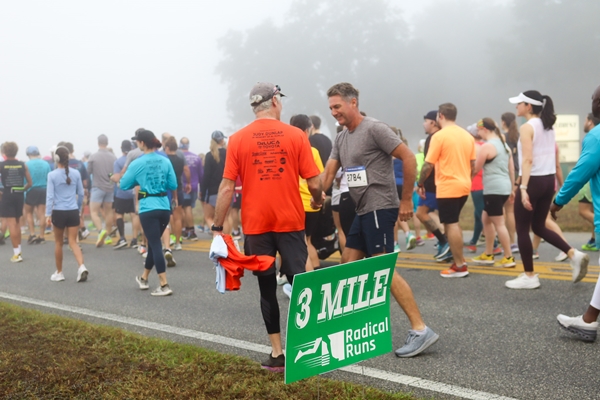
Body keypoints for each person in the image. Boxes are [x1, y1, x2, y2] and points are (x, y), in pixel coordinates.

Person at [321, 82, 439, 358]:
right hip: (362, 209)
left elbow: (408, 158)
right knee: (348, 263)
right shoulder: (341, 138)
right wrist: (317, 194)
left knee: (382, 269)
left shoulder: (374, 128)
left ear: (353, 102)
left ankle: (420, 329)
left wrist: (406, 200)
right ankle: (353, 326)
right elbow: (328, 174)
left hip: (380, 206)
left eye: (337, 106)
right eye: (330, 108)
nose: (334, 112)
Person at [210, 82, 322, 372]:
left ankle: (277, 353)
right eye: (280, 100)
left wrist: (218, 226)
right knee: (301, 285)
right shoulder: (296, 135)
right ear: (274, 101)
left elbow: (226, 187)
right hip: (290, 221)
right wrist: (318, 199)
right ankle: (307, 348)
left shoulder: (237, 139)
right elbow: (314, 182)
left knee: (267, 288)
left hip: (256, 225)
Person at [507, 90, 588, 289]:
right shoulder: (548, 127)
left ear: (528, 106)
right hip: (547, 181)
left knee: (522, 229)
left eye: (519, 103)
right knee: (539, 226)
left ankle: (529, 276)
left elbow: (528, 160)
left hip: (533, 182)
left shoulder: (527, 127)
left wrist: (522, 188)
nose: (516, 106)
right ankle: (573, 254)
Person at [552, 85, 600, 341]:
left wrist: (557, 202)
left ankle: (588, 321)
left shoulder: (596, 137)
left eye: (593, 98)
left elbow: (579, 174)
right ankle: (588, 320)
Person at [418, 104, 475, 278]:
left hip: (448, 185)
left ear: (440, 116)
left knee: (451, 224)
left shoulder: (439, 136)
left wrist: (420, 182)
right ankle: (459, 259)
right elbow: (473, 164)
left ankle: (460, 265)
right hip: (464, 184)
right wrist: (467, 177)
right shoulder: (467, 135)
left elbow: (428, 164)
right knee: (454, 222)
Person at [121, 129, 178, 296]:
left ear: (142, 143)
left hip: (148, 208)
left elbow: (124, 185)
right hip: (164, 207)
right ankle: (144, 278)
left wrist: (139, 181)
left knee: (155, 245)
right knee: (154, 244)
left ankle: (164, 284)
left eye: (137, 141)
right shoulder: (165, 160)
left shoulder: (137, 163)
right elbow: (173, 185)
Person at [471, 118, 515, 268]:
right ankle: (488, 254)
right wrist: (512, 188)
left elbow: (475, 169)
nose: (478, 133)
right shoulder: (504, 146)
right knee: (486, 219)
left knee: (499, 223)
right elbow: (511, 169)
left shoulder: (487, 147)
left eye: (479, 130)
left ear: (485, 129)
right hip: (504, 187)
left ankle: (508, 256)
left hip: (493, 189)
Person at [45, 146, 88, 282]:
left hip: (59, 211)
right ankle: (81, 266)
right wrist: (79, 209)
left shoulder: (52, 175)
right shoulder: (76, 173)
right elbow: (81, 194)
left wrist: (48, 214)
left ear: (56, 159)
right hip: (73, 211)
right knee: (73, 242)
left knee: (58, 243)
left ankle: (59, 272)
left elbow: (50, 196)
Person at [290, 114, 324, 273]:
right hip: (312, 203)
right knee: (308, 241)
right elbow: (319, 178)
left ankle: (309, 279)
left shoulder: (288, 150)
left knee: (298, 243)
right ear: (307, 130)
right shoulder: (313, 152)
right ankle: (317, 270)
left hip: (295, 204)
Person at [416, 111, 446, 251]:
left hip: (432, 183)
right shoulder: (443, 136)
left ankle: (444, 241)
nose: (424, 124)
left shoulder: (432, 138)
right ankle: (445, 242)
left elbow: (429, 164)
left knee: (421, 213)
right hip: (442, 182)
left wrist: (420, 183)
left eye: (426, 121)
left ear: (433, 122)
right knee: (445, 218)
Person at [0, 142, 32, 262]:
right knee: (17, 223)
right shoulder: (22, 165)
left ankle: (16, 254)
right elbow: (30, 183)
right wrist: (21, 189)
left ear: (4, 152)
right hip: (19, 195)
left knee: (11, 224)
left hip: (7, 194)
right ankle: (18, 249)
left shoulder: (2, 165)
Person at [87, 134, 117, 247]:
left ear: (98, 143)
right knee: (109, 212)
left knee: (94, 212)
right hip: (110, 187)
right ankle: (108, 235)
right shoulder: (113, 157)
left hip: (97, 186)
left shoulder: (93, 157)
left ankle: (100, 230)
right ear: (107, 143)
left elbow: (88, 172)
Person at [577, 113, 600, 251]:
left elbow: (586, 164)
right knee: (594, 209)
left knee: (583, 210)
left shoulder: (591, 138)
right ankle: (593, 240)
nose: (584, 123)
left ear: (590, 122)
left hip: (589, 180)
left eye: (585, 120)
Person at [113, 140, 140, 249]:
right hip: (135, 191)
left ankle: (122, 238)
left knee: (119, 214)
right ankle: (134, 239)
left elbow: (116, 177)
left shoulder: (118, 162)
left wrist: (112, 178)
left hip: (122, 192)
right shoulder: (136, 159)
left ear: (121, 148)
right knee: (134, 215)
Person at [500, 112, 519, 254]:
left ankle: (505, 242)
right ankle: (513, 242)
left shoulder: (503, 137)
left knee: (503, 210)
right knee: (511, 210)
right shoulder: (518, 136)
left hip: (506, 173)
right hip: (519, 174)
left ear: (503, 122)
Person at [24, 146, 51, 244]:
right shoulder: (46, 163)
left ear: (28, 154)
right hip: (44, 189)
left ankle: (32, 234)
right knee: (41, 214)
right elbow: (49, 177)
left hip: (31, 189)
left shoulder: (26, 164)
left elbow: (24, 180)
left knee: (29, 213)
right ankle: (42, 236)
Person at [201, 130, 227, 231]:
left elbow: (206, 176)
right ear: (222, 140)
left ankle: (217, 236)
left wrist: (203, 193)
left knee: (209, 217)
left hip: (213, 192)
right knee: (226, 218)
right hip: (227, 190)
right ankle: (227, 238)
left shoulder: (209, 155)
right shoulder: (228, 153)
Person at [179, 137, 203, 240]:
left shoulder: (179, 156)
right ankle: (188, 230)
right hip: (194, 186)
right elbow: (201, 174)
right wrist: (202, 188)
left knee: (184, 209)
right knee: (189, 208)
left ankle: (189, 230)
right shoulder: (196, 157)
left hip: (184, 186)